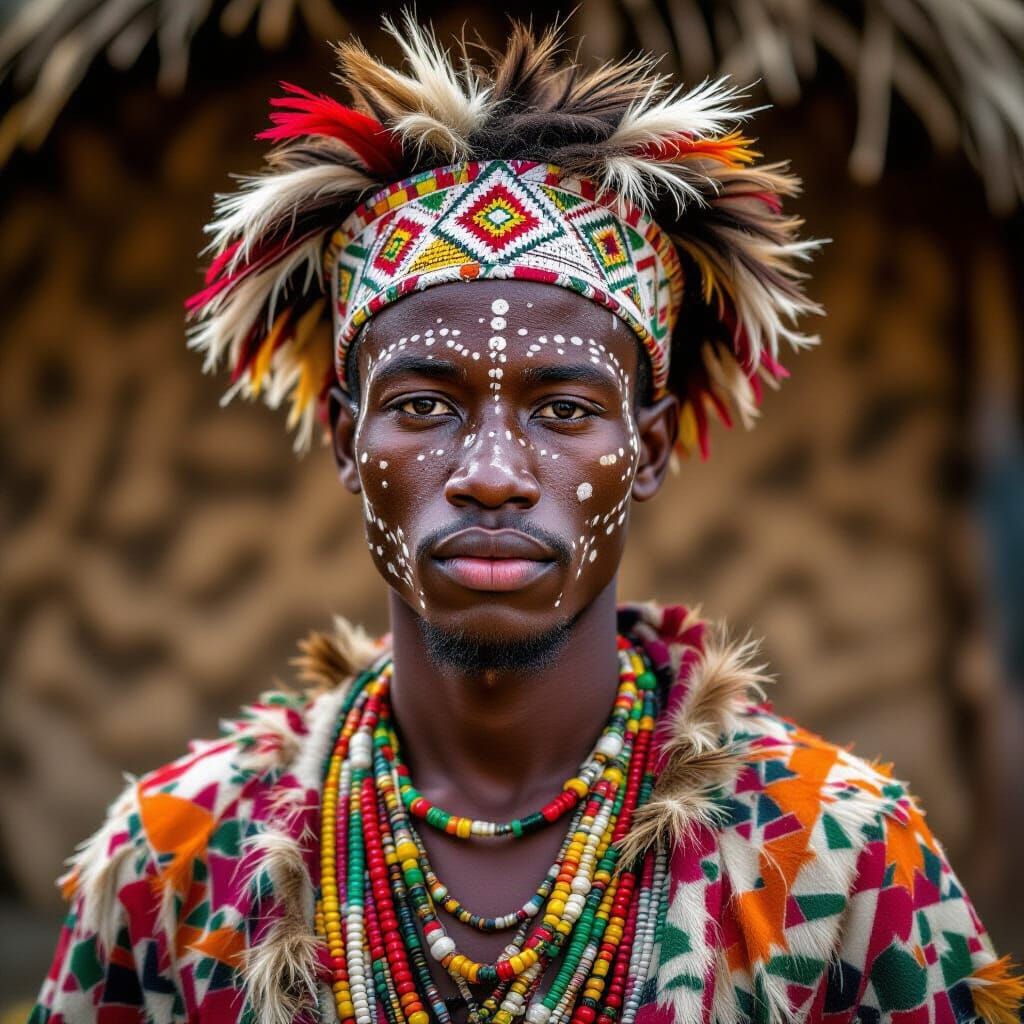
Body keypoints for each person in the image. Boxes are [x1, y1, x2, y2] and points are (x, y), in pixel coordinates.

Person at [30, 13, 1023, 1024]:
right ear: (344, 438)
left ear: (648, 445)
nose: (494, 475)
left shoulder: (836, 861)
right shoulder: (177, 862)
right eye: (422, 405)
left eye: (565, 408)